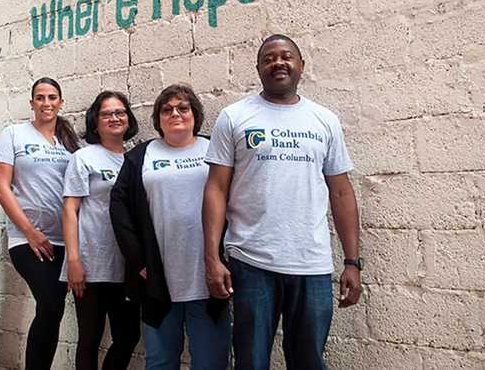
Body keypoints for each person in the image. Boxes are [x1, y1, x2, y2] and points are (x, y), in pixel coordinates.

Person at [203, 34, 362, 370]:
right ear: (259, 69)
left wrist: (352, 262)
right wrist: (212, 258)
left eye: (286, 56)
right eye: (269, 58)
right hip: (250, 262)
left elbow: (342, 192)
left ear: (301, 65)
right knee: (251, 361)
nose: (278, 62)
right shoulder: (235, 117)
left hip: (312, 264)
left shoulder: (324, 120)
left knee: (308, 361)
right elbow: (216, 189)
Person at [110, 84, 231, 370]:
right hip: (157, 280)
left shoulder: (215, 150)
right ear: (158, 118)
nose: (175, 113)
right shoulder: (139, 157)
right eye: (167, 109)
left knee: (211, 362)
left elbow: (238, 200)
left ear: (195, 114)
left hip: (208, 277)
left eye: (183, 108)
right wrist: (138, 260)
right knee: (160, 362)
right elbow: (119, 210)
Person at [0, 77, 80, 370]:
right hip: (26, 239)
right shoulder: (14, 134)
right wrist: (30, 232)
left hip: (63, 240)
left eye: (52, 97)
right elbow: (1, 187)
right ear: (31, 103)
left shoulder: (68, 142)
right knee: (51, 303)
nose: (46, 103)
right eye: (40, 98)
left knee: (51, 311)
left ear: (61, 103)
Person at [61, 91, 141, 370]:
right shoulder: (84, 158)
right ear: (95, 121)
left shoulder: (135, 159)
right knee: (90, 338)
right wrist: (73, 261)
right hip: (90, 263)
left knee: (129, 335)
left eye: (120, 112)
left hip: (126, 266)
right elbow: (70, 210)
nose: (115, 118)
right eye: (107, 113)